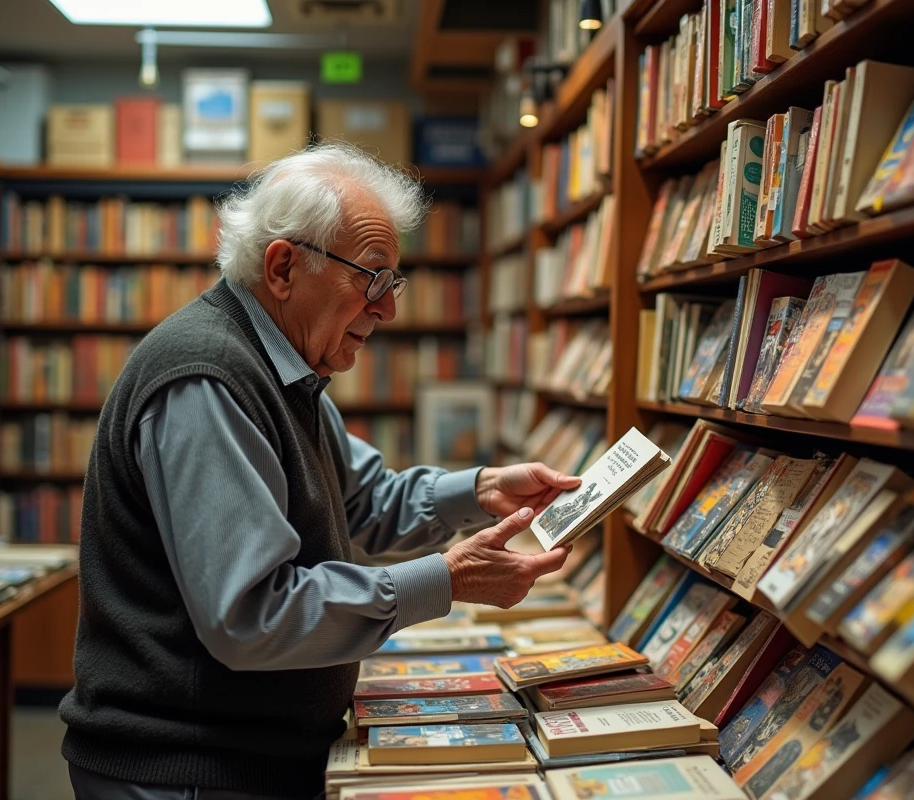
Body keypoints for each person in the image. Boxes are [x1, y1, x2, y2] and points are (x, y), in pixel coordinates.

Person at [60, 142, 582, 800]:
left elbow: (363, 503)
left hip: (238, 756)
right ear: (283, 268)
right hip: (189, 769)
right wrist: (448, 580)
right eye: (371, 277)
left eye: (393, 282)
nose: (388, 308)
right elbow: (252, 614)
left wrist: (480, 490)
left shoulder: (284, 372)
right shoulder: (208, 377)